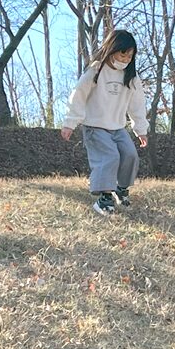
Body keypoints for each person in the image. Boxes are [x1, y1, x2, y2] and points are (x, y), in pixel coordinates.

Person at [62, 29, 149, 216]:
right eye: (122, 54)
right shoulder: (96, 70)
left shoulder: (131, 77)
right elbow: (78, 95)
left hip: (118, 128)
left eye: (130, 55)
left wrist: (140, 129)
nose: (125, 59)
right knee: (109, 157)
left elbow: (137, 105)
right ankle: (104, 198)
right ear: (111, 49)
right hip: (95, 127)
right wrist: (70, 122)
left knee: (130, 155)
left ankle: (121, 188)